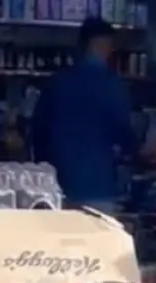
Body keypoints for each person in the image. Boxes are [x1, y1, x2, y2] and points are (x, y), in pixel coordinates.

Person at [32, 17, 135, 214]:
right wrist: (141, 154)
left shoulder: (58, 81)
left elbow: (38, 130)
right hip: (98, 185)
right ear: (102, 44)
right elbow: (123, 132)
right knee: (95, 242)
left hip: (56, 184)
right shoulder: (111, 85)